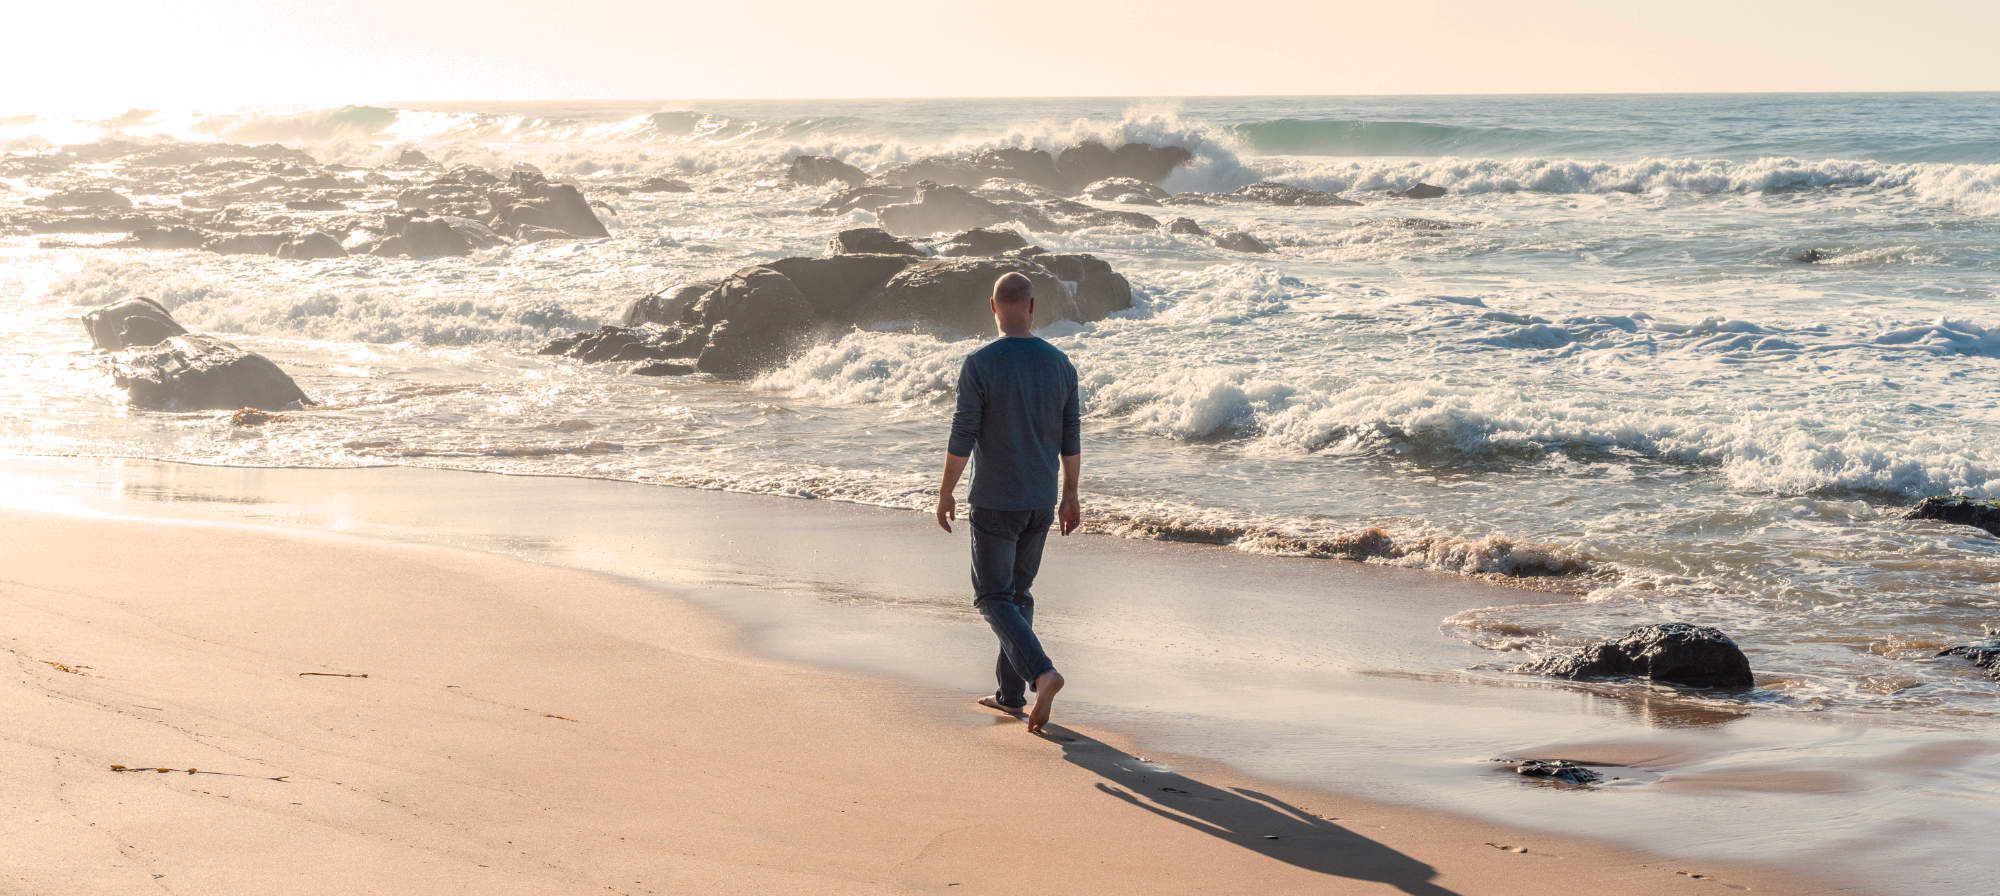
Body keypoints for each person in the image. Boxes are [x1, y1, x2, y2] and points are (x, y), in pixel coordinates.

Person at [935, 271, 1081, 735]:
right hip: (1041, 499)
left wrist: (945, 491)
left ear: (993, 307)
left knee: (992, 596)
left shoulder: (979, 363)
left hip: (996, 499)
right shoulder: (1061, 364)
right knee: (1017, 597)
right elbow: (1070, 438)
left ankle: (1042, 674)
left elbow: (964, 434)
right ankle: (1011, 694)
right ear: (1033, 307)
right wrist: (1071, 494)